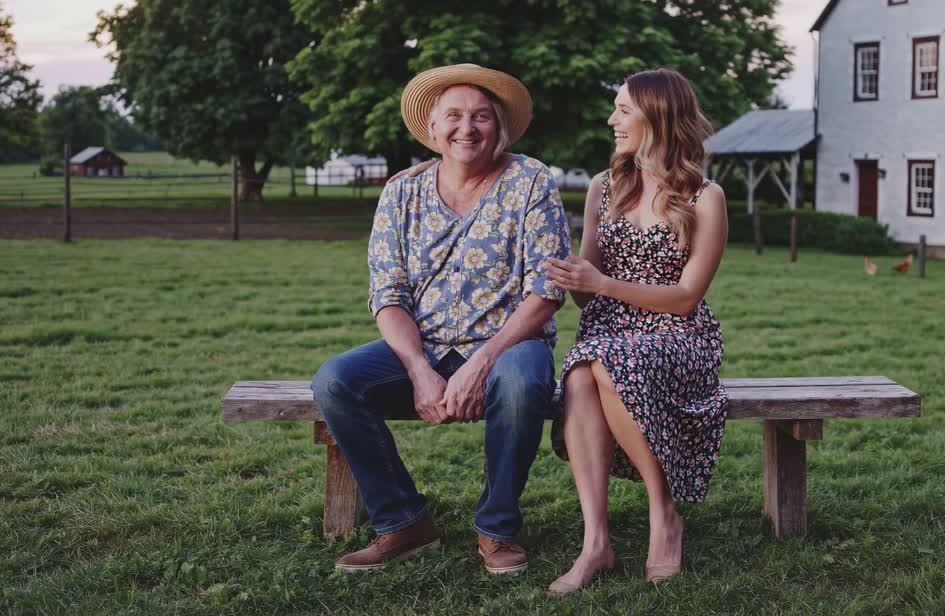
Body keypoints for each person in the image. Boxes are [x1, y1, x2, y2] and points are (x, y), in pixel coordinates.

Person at [311, 64, 571, 575]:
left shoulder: (531, 181)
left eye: (481, 117)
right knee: (336, 381)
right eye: (453, 116)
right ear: (432, 128)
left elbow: (547, 290)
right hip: (424, 345)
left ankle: (496, 528)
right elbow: (388, 294)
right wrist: (418, 369)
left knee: (520, 383)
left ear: (500, 127)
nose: (466, 128)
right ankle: (403, 521)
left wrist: (482, 361)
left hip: (510, 345)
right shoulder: (401, 193)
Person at [540, 68, 728, 596]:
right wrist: (572, 276)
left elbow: (687, 296)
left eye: (623, 110)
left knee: (601, 362)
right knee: (581, 372)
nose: (612, 120)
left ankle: (662, 512)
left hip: (677, 334)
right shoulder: (604, 187)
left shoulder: (704, 196)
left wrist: (603, 283)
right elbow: (586, 294)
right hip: (607, 330)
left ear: (658, 116)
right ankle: (595, 541)